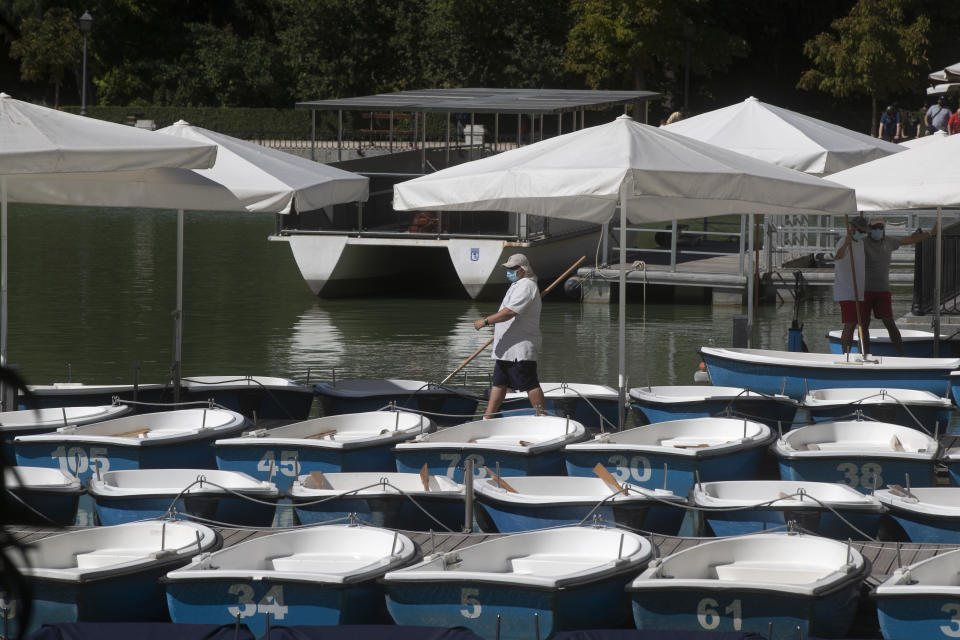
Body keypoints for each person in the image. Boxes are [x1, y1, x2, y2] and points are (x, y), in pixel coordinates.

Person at [474, 253, 545, 418]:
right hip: (506, 348)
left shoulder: (527, 285)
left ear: (522, 270)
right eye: (508, 268)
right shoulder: (517, 284)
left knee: (530, 383)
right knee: (499, 384)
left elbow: (509, 313)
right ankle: (488, 418)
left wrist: (485, 321)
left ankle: (542, 417)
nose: (509, 271)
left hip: (519, 348)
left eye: (512, 268)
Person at [860, 217, 938, 355]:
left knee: (889, 323)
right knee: (864, 324)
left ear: (883, 229)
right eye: (875, 227)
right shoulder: (862, 242)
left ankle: (901, 354)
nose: (878, 230)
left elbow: (909, 240)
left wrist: (930, 233)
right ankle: (864, 354)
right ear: (869, 229)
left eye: (880, 227)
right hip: (864, 290)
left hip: (882, 290)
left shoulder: (890, 241)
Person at [834, 216, 867, 354]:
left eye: (863, 231)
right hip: (847, 291)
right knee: (850, 324)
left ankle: (858, 352)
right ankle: (845, 354)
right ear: (852, 228)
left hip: (858, 291)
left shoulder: (860, 242)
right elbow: (838, 256)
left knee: (857, 324)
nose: (862, 233)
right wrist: (846, 244)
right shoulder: (844, 241)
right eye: (860, 230)